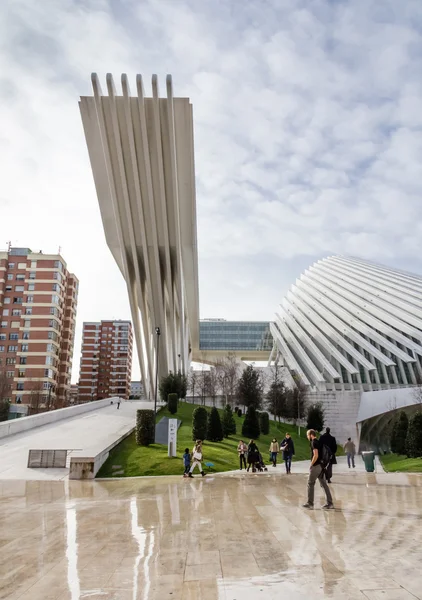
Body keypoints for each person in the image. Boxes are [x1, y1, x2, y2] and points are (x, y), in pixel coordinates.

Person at [303, 429, 334, 510]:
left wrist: (311, 464)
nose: (307, 437)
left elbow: (315, 455)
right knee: (324, 484)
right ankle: (330, 503)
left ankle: (310, 503)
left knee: (310, 483)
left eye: (307, 435)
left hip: (316, 466)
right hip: (321, 466)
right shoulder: (319, 442)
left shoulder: (313, 442)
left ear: (311, 435)